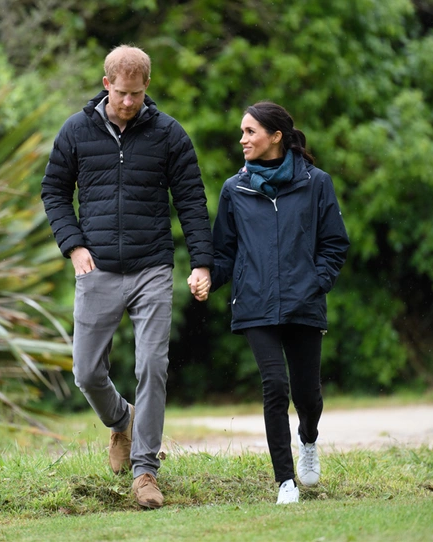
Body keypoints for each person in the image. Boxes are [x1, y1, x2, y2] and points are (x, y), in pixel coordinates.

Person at [41, 45, 213, 509]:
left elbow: (193, 200)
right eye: (121, 93)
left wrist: (202, 262)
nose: (128, 103)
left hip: (152, 267)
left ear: (146, 88)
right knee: (85, 371)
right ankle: (121, 420)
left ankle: (145, 472)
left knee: (152, 366)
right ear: (105, 85)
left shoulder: (169, 135)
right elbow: (53, 191)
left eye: (136, 94)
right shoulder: (76, 131)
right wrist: (73, 246)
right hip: (96, 265)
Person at [191, 101, 349, 504]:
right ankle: (285, 481)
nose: (242, 140)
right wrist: (207, 273)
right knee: (275, 387)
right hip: (255, 303)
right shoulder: (234, 189)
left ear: (275, 136)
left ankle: (308, 440)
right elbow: (224, 251)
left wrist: (318, 282)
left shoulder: (316, 183)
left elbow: (334, 243)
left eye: (250, 132)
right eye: (242, 132)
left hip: (304, 302)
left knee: (307, 394)